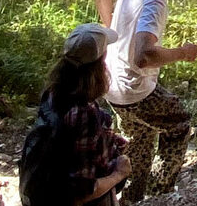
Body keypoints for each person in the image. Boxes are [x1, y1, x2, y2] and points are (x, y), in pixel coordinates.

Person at [95, 0, 197, 206]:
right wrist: (182, 53)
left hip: (111, 81)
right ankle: (160, 196)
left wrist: (109, 27)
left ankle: (131, 200)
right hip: (134, 88)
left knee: (139, 141)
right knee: (178, 124)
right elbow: (143, 56)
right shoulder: (155, 1)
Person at [20, 23, 132, 206]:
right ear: (99, 63)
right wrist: (119, 173)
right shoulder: (83, 113)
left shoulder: (53, 93)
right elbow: (82, 191)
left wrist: (107, 140)